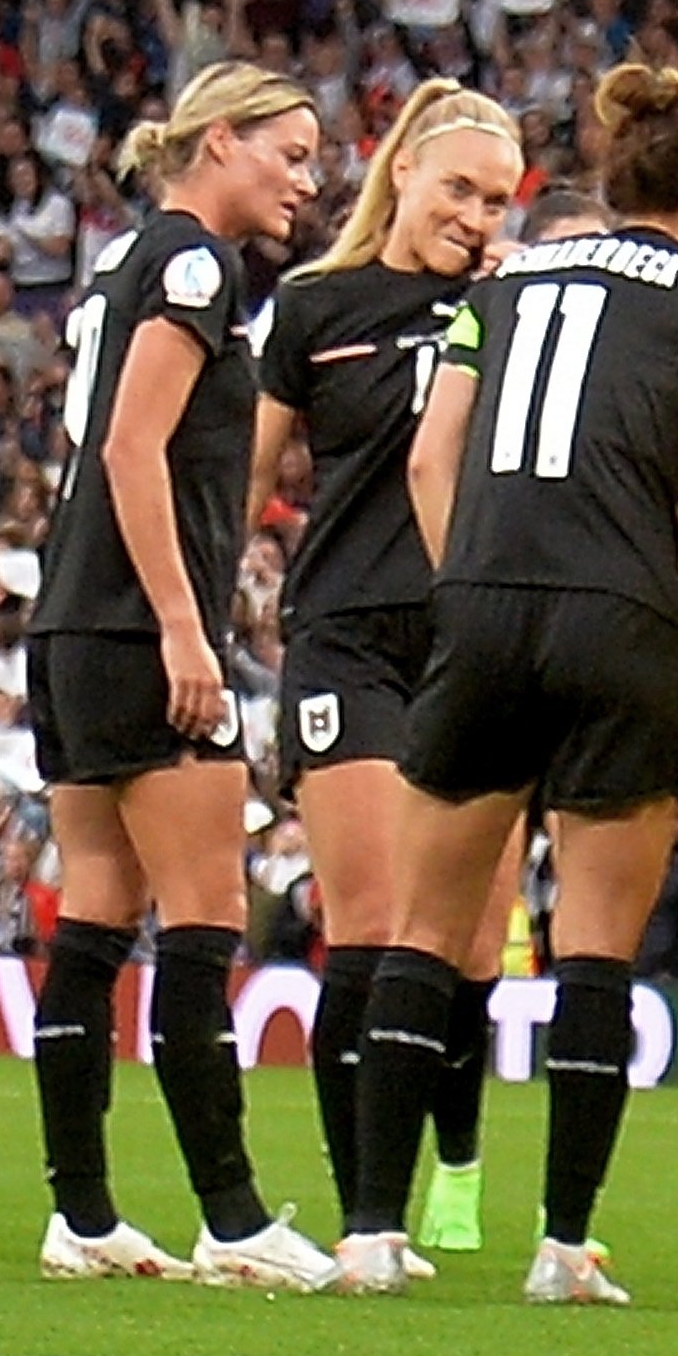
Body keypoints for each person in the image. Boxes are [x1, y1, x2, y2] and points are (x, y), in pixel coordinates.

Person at [403, 66, 678, 1305]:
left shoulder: (504, 277)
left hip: (481, 606)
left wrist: (468, 579)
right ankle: (562, 1245)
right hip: (617, 624)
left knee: (421, 938)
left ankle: (367, 1229)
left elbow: (430, 455)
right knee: (594, 952)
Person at [23, 60, 338, 1291]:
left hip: (66, 621)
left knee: (96, 914)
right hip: (133, 627)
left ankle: (83, 1216)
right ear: (217, 142)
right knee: (204, 921)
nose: (306, 184)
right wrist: (183, 628)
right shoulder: (195, 268)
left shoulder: (119, 263)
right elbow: (131, 445)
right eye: (289, 153)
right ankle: (234, 1219)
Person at [256, 79, 525, 1290]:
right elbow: (243, 474)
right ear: (402, 170)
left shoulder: (518, 308)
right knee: (366, 925)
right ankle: (367, 1216)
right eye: (457, 186)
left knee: (471, 947)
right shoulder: (316, 306)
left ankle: (448, 1163)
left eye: (496, 197)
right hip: (349, 637)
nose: (473, 213)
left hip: (475, 644)